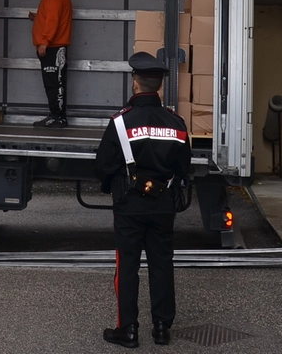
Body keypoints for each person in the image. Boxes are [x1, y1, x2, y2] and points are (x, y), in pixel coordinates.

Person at [93, 52, 192, 348]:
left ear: (136, 83)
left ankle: (128, 329)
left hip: (129, 205)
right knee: (162, 263)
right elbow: (184, 169)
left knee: (128, 266)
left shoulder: (121, 123)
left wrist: (112, 186)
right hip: (163, 206)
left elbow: (102, 167)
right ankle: (162, 327)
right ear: (158, 87)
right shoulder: (177, 123)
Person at [28, 0, 72, 127]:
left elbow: (53, 21)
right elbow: (51, 19)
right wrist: (37, 18)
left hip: (53, 48)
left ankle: (58, 116)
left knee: (54, 83)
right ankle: (56, 115)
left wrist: (44, 42)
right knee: (54, 82)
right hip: (53, 47)